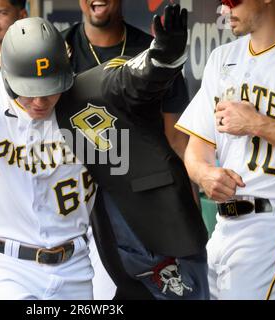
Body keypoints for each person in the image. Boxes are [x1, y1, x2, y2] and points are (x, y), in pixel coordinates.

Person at [0, 3, 208, 300]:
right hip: (5, 265)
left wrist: (164, 57)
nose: (41, 101)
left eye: (50, 88)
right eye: (29, 90)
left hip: (74, 265)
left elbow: (132, 78)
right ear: (7, 75)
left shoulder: (81, 96)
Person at [62, 0, 192, 299]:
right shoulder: (60, 50)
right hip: (74, 200)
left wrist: (189, 213)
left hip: (137, 201)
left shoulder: (156, 52)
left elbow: (177, 140)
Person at [176, 0, 275, 299]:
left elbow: (255, 124)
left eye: (233, 0)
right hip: (223, 227)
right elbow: (196, 149)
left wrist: (258, 123)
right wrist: (204, 175)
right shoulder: (222, 58)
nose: (225, 9)